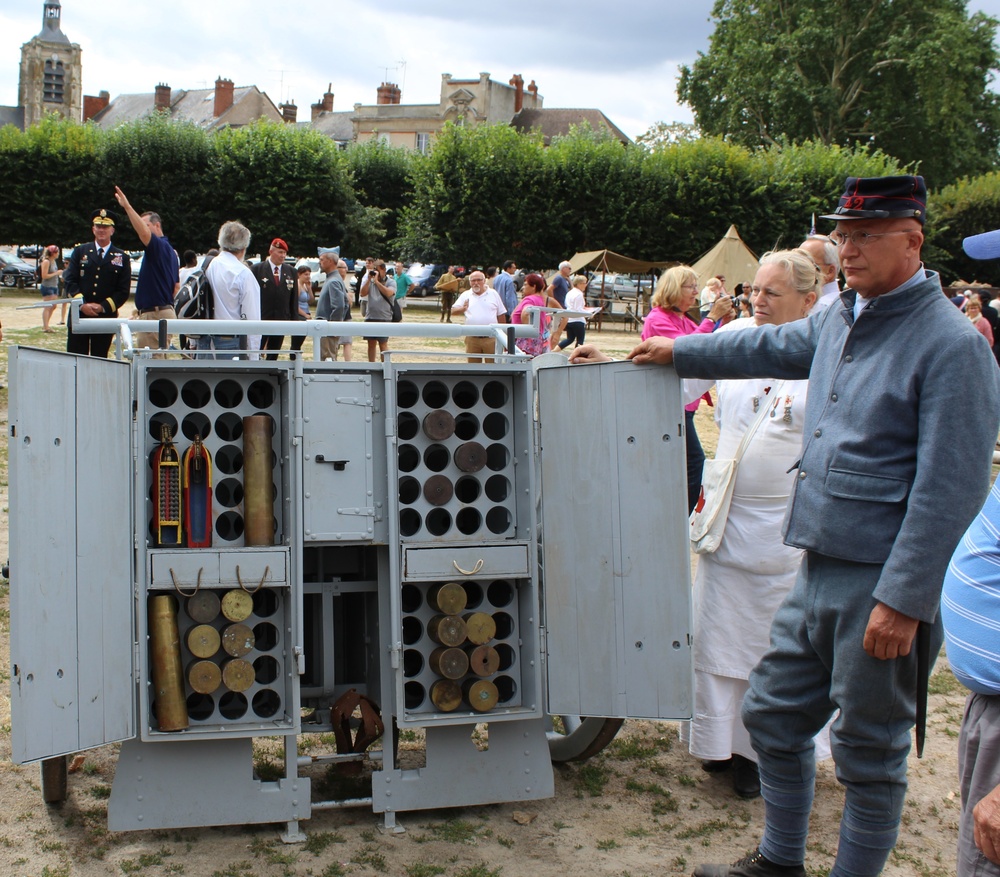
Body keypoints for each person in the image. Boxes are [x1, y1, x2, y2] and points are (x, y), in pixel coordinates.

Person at [571, 175, 1000, 877]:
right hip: (818, 565)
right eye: (844, 234)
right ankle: (779, 860)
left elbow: (952, 490)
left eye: (865, 236)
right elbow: (765, 348)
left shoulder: (952, 345)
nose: (848, 249)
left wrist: (905, 601)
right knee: (771, 712)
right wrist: (679, 353)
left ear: (913, 241)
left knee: (869, 752)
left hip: (880, 583)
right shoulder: (846, 315)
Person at [680, 249, 825, 802]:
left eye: (772, 293)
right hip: (726, 518)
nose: (757, 301)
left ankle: (758, 753)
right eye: (755, 290)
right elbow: (682, 378)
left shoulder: (825, 350)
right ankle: (717, 742)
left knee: (770, 647)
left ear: (809, 301)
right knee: (717, 635)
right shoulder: (738, 333)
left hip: (784, 530)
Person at [643, 265, 734, 514]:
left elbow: (703, 341)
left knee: (685, 464)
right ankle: (685, 516)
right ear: (674, 289)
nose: (696, 292)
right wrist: (712, 318)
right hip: (671, 403)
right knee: (695, 464)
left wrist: (722, 324)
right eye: (691, 287)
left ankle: (679, 515)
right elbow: (688, 348)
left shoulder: (681, 318)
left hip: (684, 403)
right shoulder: (658, 318)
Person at [114, 187, 180, 357]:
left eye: (147, 224)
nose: (143, 228)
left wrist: (127, 207)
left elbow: (144, 234)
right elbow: (176, 287)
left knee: (150, 366)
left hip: (155, 314)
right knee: (156, 362)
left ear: (157, 225)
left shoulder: (158, 246)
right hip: (160, 311)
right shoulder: (170, 251)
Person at [63, 208, 132, 358]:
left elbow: (123, 290)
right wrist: (82, 304)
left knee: (100, 359)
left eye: (105, 227)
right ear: (93, 229)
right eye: (98, 226)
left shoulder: (122, 257)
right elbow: (70, 281)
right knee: (75, 358)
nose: (102, 230)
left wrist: (102, 307)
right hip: (79, 315)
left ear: (112, 230)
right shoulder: (80, 252)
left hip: (105, 318)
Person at [198, 221, 260, 359]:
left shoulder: (206, 266)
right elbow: (252, 319)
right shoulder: (243, 274)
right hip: (231, 341)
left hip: (203, 339)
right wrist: (254, 356)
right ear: (244, 247)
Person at [251, 238, 297, 360]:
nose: (283, 256)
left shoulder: (291, 271)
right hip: (262, 318)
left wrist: (294, 320)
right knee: (256, 352)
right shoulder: (257, 269)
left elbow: (293, 298)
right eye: (280, 252)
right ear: (271, 252)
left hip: (281, 319)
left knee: (273, 353)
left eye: (284, 253)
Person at [451, 269, 507, 362]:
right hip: (472, 339)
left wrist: (503, 336)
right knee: (474, 370)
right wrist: (462, 309)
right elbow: (453, 311)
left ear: (484, 281)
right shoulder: (466, 295)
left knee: (493, 368)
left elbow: (501, 315)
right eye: (473, 280)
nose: (476, 283)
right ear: (470, 282)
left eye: (479, 280)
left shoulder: (493, 294)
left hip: (491, 339)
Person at [510, 273, 561, 357]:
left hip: (524, 343)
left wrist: (526, 332)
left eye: (526, 284)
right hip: (537, 341)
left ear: (534, 286)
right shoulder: (540, 300)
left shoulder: (530, 299)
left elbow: (526, 312)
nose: (523, 287)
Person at [315, 247, 350, 361]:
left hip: (327, 330)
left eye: (322, 259)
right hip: (326, 329)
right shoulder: (333, 278)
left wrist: (334, 328)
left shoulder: (333, 281)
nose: (320, 262)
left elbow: (339, 306)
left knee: (327, 360)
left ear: (330, 261)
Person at [361, 259, 396, 361]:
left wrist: (377, 282)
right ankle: (371, 366)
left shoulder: (391, 282)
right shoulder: (371, 281)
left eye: (377, 270)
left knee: (383, 344)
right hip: (370, 316)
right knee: (371, 344)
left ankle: (384, 367)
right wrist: (369, 280)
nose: (375, 272)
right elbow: (363, 293)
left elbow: (389, 293)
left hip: (384, 317)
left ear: (383, 270)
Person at [799, 234, 841, 313]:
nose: (798, 269)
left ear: (830, 271)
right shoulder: (843, 302)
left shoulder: (822, 308)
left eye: (807, 264)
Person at [555, 275, 591, 350]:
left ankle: (555, 350)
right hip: (578, 320)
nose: (585, 285)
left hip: (569, 319)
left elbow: (567, 305)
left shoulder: (570, 293)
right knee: (580, 341)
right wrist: (589, 313)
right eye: (584, 283)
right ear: (579, 284)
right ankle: (576, 355)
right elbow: (578, 310)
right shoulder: (579, 294)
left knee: (569, 339)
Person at [38, 244, 62, 333]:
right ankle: (45, 327)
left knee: (54, 306)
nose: (58, 254)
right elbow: (44, 275)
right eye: (57, 252)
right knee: (47, 306)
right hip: (47, 286)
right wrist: (56, 273)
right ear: (53, 253)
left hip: (54, 285)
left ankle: (46, 324)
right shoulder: (46, 262)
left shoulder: (53, 261)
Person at [292, 263, 314, 353]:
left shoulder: (305, 286)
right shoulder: (297, 285)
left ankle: (295, 358)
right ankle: (293, 358)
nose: (308, 276)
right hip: (300, 315)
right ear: (299, 274)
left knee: (300, 341)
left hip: (306, 314)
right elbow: (294, 304)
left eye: (309, 274)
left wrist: (309, 288)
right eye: (305, 274)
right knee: (297, 341)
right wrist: (305, 315)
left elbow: (311, 300)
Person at [336, 258, 355, 361]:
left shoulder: (343, 282)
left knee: (347, 342)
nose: (346, 270)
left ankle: (348, 364)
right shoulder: (335, 282)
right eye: (344, 267)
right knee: (335, 343)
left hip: (347, 316)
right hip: (337, 317)